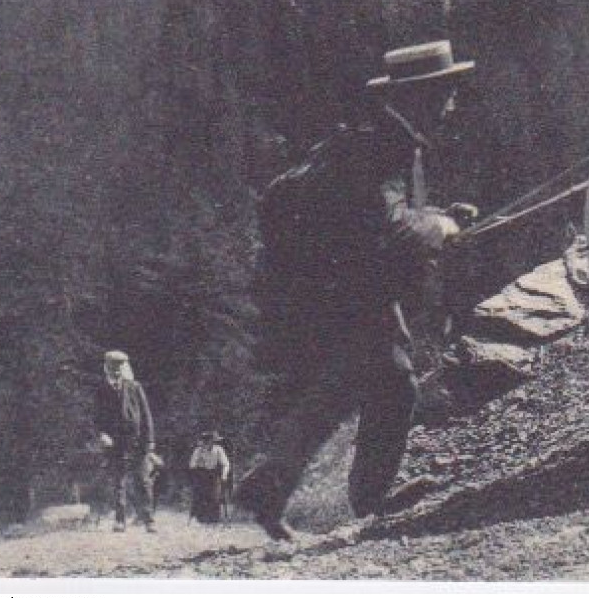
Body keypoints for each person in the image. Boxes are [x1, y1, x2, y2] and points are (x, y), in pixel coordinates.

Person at [233, 40, 477, 541]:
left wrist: (437, 216)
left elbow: (378, 218)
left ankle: (276, 485)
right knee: (389, 378)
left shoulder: (380, 137)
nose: (452, 106)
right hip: (346, 284)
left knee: (368, 378)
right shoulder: (387, 146)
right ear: (422, 96)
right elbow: (390, 228)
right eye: (447, 94)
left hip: (334, 280)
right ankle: (363, 499)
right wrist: (441, 225)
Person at [93, 350, 157, 533]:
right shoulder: (101, 391)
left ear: (125, 368)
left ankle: (149, 520)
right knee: (118, 483)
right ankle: (120, 520)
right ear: (106, 368)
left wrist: (150, 440)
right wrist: (102, 434)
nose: (116, 372)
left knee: (143, 482)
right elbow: (96, 418)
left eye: (120, 368)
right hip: (115, 444)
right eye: (113, 368)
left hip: (137, 442)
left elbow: (146, 416)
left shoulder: (135, 387)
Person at [187, 432, 232, 523]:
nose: (207, 443)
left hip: (214, 474)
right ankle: (201, 517)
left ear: (213, 442)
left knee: (216, 495)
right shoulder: (198, 450)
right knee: (201, 495)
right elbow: (192, 465)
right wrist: (198, 467)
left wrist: (224, 475)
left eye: (209, 441)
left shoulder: (218, 450)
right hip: (201, 474)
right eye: (205, 440)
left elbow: (226, 464)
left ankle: (214, 518)